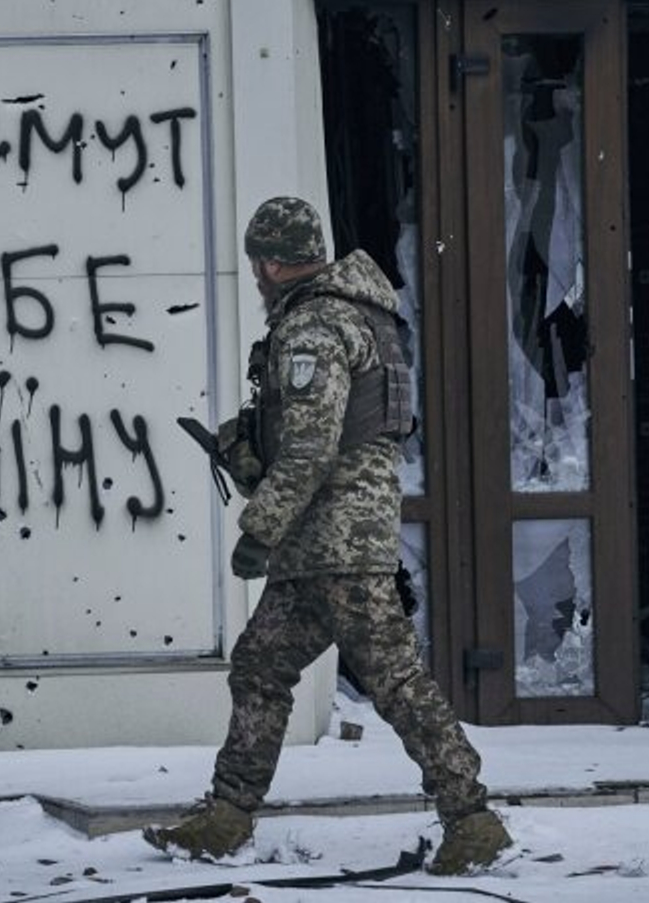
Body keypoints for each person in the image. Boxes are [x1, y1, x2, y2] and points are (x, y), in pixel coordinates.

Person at [143, 196, 511, 875]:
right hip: (321, 545)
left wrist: (259, 530)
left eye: (258, 261)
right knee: (260, 666)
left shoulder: (315, 325)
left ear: (270, 262)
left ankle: (472, 820)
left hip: (340, 546)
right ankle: (227, 817)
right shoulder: (356, 313)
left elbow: (311, 448)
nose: (256, 275)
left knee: (396, 681)